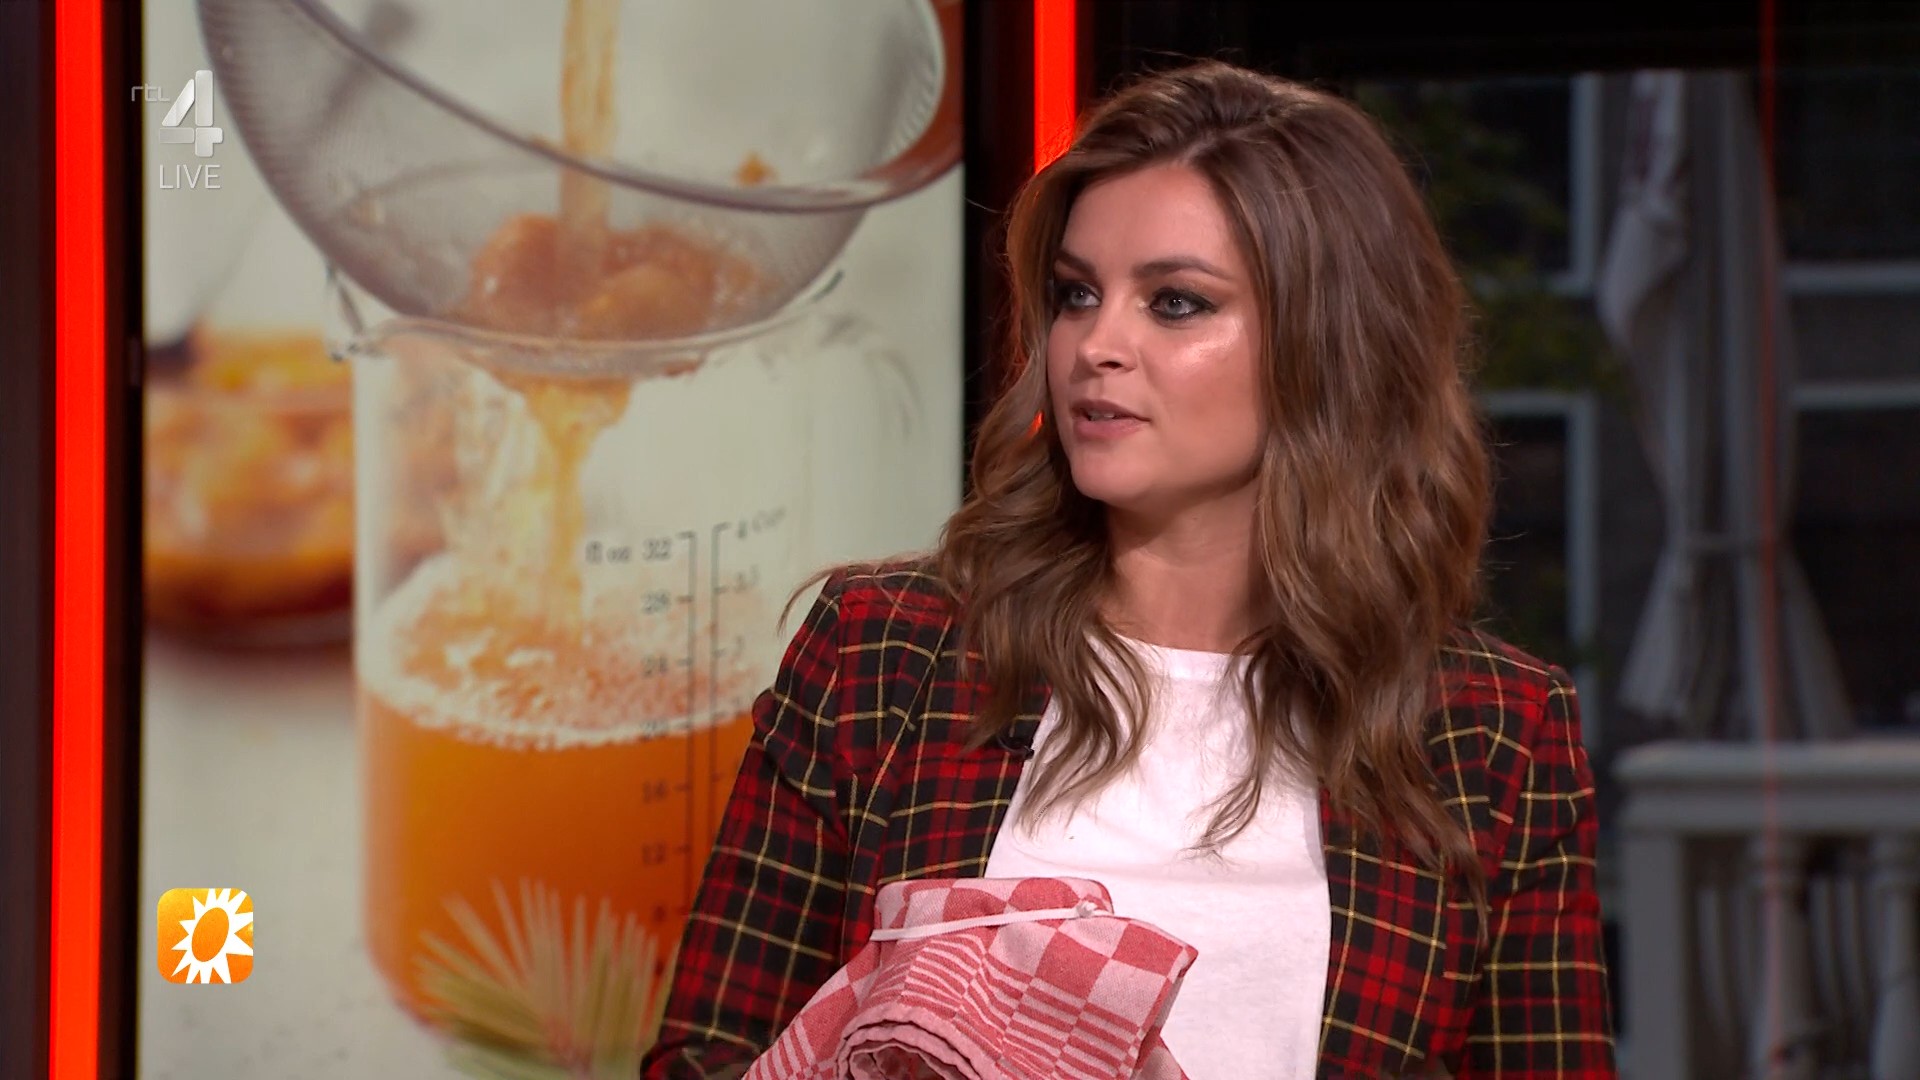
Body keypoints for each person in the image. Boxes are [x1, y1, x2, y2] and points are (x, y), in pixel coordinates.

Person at [642, 59, 1616, 1079]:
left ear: (1330, 344)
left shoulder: (1493, 732)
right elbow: (706, 1058)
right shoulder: (884, 654)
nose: (1095, 345)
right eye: (1076, 294)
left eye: (1176, 302)